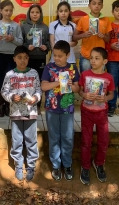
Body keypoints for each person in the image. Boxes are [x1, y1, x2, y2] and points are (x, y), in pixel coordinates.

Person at [1, 46, 42, 181]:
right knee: (17, 140)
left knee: (31, 140)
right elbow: (4, 91)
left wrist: (35, 98)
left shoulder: (34, 73)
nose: (22, 60)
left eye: (25, 58)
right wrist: (12, 97)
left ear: (28, 59)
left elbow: (38, 90)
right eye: (19, 58)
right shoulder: (9, 74)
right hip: (16, 113)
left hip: (30, 112)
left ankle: (31, 166)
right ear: (14, 59)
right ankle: (18, 165)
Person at [41, 40, 80, 182]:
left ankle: (67, 164)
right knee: (54, 138)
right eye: (54, 55)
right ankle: (56, 165)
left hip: (67, 109)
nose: (56, 58)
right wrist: (57, 82)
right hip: (51, 109)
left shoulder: (73, 69)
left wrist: (71, 85)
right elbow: (44, 86)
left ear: (68, 55)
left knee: (68, 137)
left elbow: (78, 89)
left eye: (60, 56)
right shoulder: (49, 68)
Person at [78, 47, 115, 185]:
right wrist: (84, 95)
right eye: (91, 58)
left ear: (105, 61)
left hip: (101, 113)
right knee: (86, 141)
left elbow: (111, 94)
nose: (93, 60)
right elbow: (80, 92)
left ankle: (99, 163)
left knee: (103, 140)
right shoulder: (85, 74)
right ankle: (85, 166)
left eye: (97, 58)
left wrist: (105, 99)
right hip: (87, 112)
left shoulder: (108, 77)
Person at [0, 0, 23, 117]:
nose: (8, 13)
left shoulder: (16, 26)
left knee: (11, 81)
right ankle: (1, 105)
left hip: (12, 57)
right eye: (6, 10)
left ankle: (9, 104)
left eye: (10, 10)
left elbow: (20, 43)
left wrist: (12, 39)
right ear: (1, 11)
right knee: (0, 81)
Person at [72, 0, 112, 73]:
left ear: (102, 6)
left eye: (99, 4)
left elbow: (108, 39)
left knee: (99, 80)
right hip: (86, 55)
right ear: (89, 5)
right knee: (85, 80)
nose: (96, 6)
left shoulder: (106, 20)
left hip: (100, 57)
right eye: (94, 3)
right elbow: (74, 37)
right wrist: (83, 35)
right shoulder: (83, 19)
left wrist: (103, 36)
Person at [21, 4, 50, 109]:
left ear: (40, 14)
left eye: (37, 12)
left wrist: (45, 47)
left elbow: (49, 43)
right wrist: (27, 47)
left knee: (39, 80)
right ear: (29, 14)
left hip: (40, 58)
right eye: (32, 12)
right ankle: (27, 102)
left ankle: (37, 104)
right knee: (28, 80)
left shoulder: (45, 27)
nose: (35, 14)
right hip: (28, 58)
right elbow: (21, 42)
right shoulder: (24, 26)